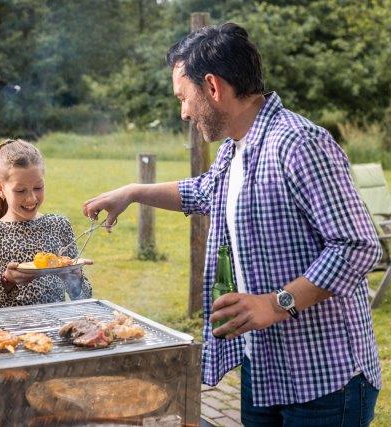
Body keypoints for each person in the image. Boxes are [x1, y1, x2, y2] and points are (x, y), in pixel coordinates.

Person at [82, 23, 381, 426]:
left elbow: (357, 246)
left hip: (324, 378)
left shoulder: (299, 144)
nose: (184, 111)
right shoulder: (236, 148)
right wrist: (135, 192)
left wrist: (276, 304)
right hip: (265, 367)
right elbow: (206, 191)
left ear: (212, 87)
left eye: (183, 98)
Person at [0, 139, 92, 310]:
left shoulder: (59, 225)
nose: (31, 198)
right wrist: (7, 281)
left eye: (38, 187)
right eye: (20, 191)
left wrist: (75, 277)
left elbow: (84, 299)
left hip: (54, 328)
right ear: (0, 188)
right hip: (7, 331)